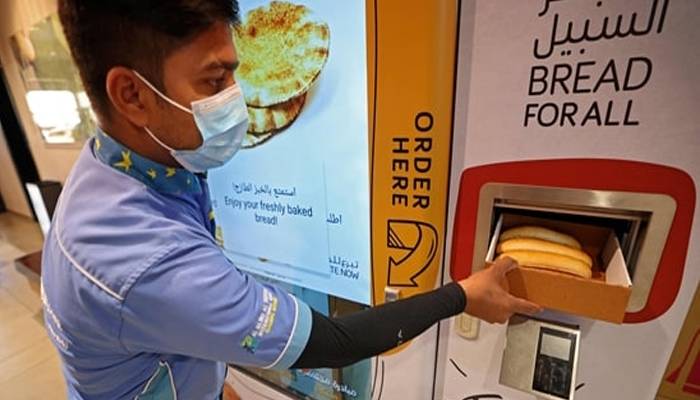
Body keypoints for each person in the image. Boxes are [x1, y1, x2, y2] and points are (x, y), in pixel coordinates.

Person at [41, 1, 541, 398]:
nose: (239, 97)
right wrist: (462, 295)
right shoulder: (149, 263)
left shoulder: (110, 167)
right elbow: (333, 342)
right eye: (215, 81)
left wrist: (211, 385)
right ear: (131, 95)